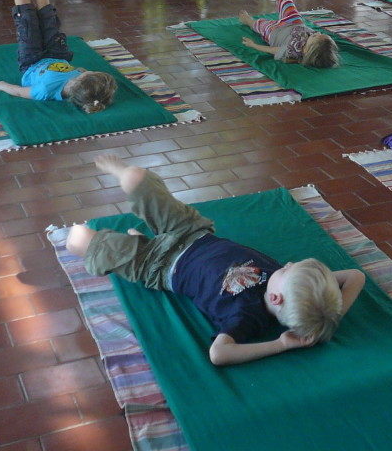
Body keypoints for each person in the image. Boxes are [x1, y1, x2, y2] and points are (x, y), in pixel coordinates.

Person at [67, 154, 366, 365]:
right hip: (190, 231)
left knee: (79, 238)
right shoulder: (289, 287)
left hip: (157, 265)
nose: (286, 264)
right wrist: (330, 318)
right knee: (136, 178)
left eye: (288, 270)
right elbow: (355, 276)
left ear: (275, 298)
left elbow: (219, 354)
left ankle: (138, 241)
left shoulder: (247, 316)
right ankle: (133, 211)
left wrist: (280, 344)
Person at [0, 0, 117, 113]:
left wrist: (2, 86)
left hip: (32, 61)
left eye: (87, 73)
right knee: (47, 13)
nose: (85, 70)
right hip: (57, 54)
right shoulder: (83, 83)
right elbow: (80, 70)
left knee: (27, 16)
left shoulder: (45, 91)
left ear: (78, 82)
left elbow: (20, 92)